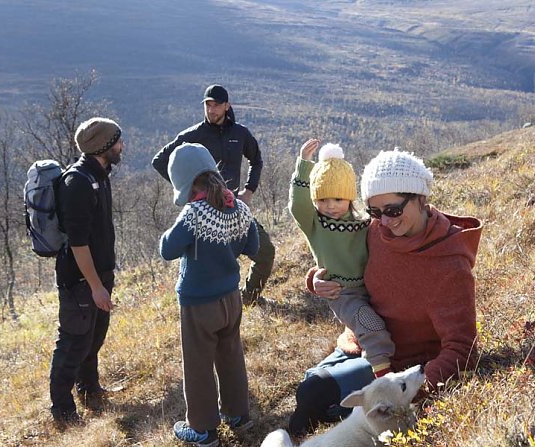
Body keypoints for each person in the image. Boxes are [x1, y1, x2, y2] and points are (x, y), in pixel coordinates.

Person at [289, 149, 483, 436]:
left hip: (398, 364)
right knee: (309, 386)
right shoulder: (375, 232)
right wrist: (315, 282)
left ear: (420, 198)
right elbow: (342, 260)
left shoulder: (448, 263)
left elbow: (463, 348)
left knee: (315, 392)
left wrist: (409, 391)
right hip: (359, 342)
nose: (386, 221)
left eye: (393, 210)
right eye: (375, 212)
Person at [159, 143, 259, 447]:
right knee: (231, 356)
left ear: (185, 182)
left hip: (198, 304)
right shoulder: (237, 206)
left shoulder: (194, 214)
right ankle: (238, 415)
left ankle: (202, 430)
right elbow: (252, 247)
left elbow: (167, 249)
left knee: (198, 366)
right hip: (231, 298)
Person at [152, 84, 275, 306]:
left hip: (233, 207)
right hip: (204, 212)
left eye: (216, 105)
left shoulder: (240, 133)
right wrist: (186, 188)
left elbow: (256, 161)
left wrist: (249, 190)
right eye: (207, 105)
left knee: (265, 252)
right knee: (208, 266)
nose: (211, 110)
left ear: (227, 106)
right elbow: (160, 161)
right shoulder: (193, 135)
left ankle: (247, 299)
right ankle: (216, 302)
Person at [288, 138, 394, 378]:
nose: (331, 206)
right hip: (342, 292)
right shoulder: (315, 223)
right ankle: (385, 380)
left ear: (349, 197)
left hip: (371, 288)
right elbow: (297, 205)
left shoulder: (363, 222)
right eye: (323, 200)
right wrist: (304, 164)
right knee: (371, 326)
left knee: (380, 324)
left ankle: (372, 365)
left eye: (337, 198)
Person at [49, 117, 124, 425]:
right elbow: (78, 244)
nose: (122, 145)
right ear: (104, 146)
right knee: (73, 342)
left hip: (99, 275)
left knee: (93, 337)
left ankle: (89, 389)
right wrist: (95, 287)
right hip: (80, 281)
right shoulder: (77, 183)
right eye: (118, 140)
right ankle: (63, 411)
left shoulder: (99, 174)